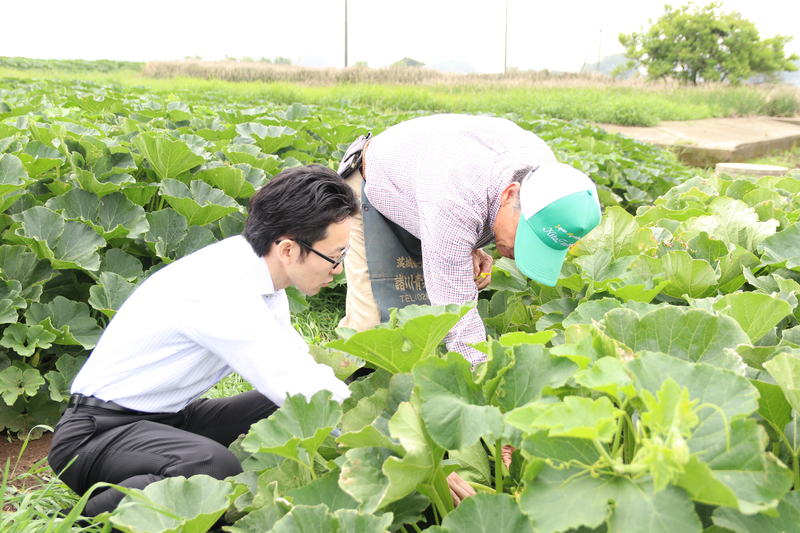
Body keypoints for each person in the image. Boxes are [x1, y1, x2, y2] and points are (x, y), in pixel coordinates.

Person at [48, 164, 360, 517]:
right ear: (287, 249)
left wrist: (363, 422)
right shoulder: (221, 287)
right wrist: (376, 440)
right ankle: (82, 522)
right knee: (212, 466)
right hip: (94, 435)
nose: (338, 270)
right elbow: (287, 379)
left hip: (165, 418)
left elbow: (300, 371)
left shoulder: (264, 282)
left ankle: (152, 487)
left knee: (285, 410)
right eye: (334, 257)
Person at [338, 114, 602, 365]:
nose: (519, 253)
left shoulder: (548, 173)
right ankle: (343, 384)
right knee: (370, 326)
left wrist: (473, 247)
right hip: (371, 182)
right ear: (510, 194)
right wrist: (483, 382)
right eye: (525, 236)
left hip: (430, 186)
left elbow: (471, 206)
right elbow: (457, 311)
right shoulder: (455, 199)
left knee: (421, 322)